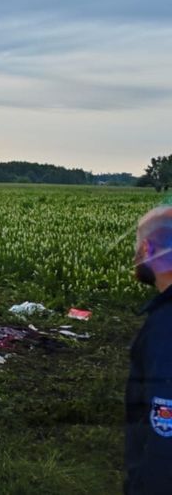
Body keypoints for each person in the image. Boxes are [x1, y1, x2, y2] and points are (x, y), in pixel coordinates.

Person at [126, 205, 172, 492]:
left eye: (137, 245)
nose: (135, 256)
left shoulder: (165, 327)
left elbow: (164, 433)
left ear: (148, 247)